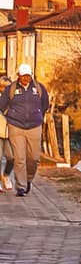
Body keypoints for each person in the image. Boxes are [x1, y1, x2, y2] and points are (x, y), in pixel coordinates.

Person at [1, 63, 53, 197]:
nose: (25, 78)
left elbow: (45, 104)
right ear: (18, 75)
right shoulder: (11, 88)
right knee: (19, 158)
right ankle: (21, 187)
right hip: (16, 126)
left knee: (34, 158)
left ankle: (29, 179)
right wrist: (10, 114)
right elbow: (2, 105)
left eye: (28, 76)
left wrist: (38, 115)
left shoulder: (39, 88)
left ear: (31, 76)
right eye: (23, 76)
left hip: (34, 127)